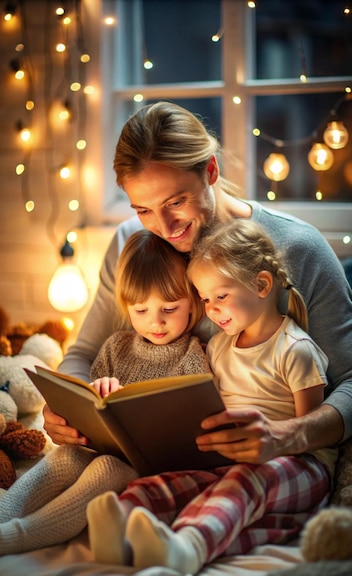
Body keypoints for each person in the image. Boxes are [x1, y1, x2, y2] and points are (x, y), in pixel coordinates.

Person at [43, 100, 352, 466]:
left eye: (177, 201)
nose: (165, 227)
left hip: (263, 464)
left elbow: (348, 379)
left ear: (211, 170)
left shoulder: (298, 248)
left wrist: (289, 435)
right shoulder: (134, 244)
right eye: (143, 209)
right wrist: (66, 410)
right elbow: (82, 355)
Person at [87, 219, 334, 575]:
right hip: (233, 463)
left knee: (244, 482)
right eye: (205, 299)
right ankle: (120, 529)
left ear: (262, 285)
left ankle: (190, 544)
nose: (211, 309)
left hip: (299, 467)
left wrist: (267, 448)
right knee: (160, 485)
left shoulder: (294, 350)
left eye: (221, 296)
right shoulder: (218, 347)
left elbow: (305, 436)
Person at [0, 230, 210, 555]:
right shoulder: (116, 346)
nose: (155, 322)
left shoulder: (194, 356)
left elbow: (193, 422)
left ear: (193, 302)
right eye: (141, 311)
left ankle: (21, 535)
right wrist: (97, 393)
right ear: (127, 306)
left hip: (147, 467)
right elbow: (91, 402)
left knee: (107, 470)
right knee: (67, 456)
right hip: (101, 449)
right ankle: (4, 514)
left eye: (169, 309)